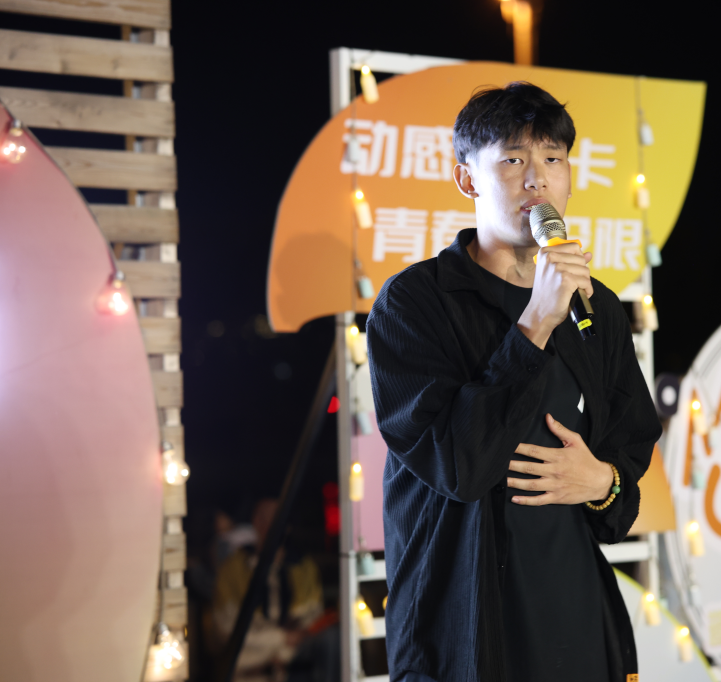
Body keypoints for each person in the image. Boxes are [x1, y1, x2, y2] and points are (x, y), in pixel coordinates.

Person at [366, 82, 661, 682]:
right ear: (467, 179)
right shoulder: (414, 304)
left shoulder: (596, 307)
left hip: (575, 616)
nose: (537, 180)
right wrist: (535, 323)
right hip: (465, 629)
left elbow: (627, 461)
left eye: (553, 159)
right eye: (512, 159)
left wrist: (600, 482)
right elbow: (458, 465)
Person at [207, 499, 325, 682]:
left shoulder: (304, 567)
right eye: (262, 517)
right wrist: (280, 638)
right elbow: (226, 628)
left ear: (288, 524)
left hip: (294, 670)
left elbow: (312, 621)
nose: (269, 524)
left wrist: (284, 652)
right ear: (254, 522)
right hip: (249, 675)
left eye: (277, 517)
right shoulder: (233, 569)